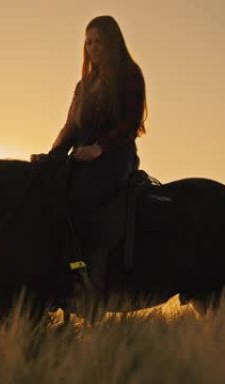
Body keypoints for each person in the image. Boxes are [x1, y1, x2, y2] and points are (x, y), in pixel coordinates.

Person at [49, 15, 147, 264]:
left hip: (115, 156)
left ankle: (90, 270)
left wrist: (99, 148)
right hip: (82, 157)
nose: (92, 47)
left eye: (99, 42)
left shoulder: (130, 74)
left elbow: (131, 123)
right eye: (88, 42)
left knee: (83, 196)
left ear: (112, 43)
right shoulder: (83, 85)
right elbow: (71, 126)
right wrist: (54, 155)